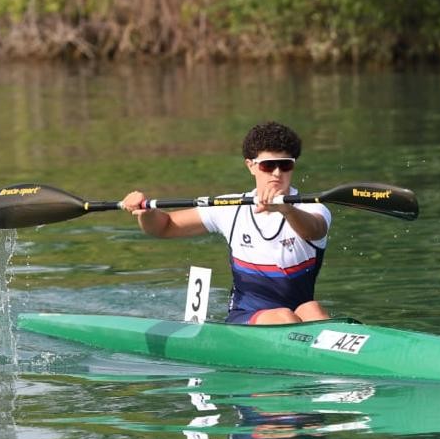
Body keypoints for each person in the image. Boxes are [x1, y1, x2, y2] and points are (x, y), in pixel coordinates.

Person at [120, 121, 332, 325]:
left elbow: (315, 230)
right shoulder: (231, 207)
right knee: (285, 316)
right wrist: (144, 211)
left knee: (312, 309)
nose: (277, 173)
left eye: (285, 165)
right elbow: (163, 227)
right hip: (246, 316)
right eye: (268, 165)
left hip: (298, 313)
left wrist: (286, 209)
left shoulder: (312, 208)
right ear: (251, 166)